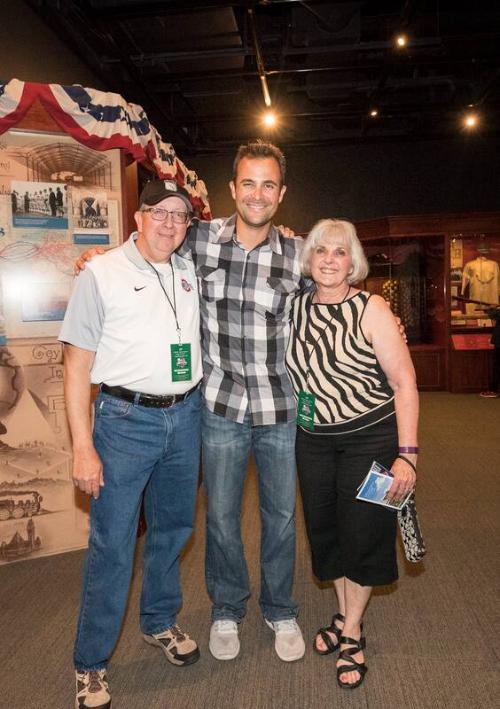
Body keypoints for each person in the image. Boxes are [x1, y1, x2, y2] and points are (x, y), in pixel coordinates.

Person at [76, 141, 306, 664]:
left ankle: (280, 608)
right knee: (220, 517)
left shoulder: (299, 252)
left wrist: (380, 310)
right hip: (218, 408)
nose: (257, 194)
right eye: (248, 183)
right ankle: (227, 608)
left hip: (279, 409)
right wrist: (95, 255)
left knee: (281, 517)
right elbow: (147, 244)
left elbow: (343, 282)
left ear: (281, 194)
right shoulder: (197, 239)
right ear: (232, 189)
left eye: (268, 185)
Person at [60, 181, 203, 709]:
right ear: (137, 217)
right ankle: (90, 663)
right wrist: (82, 447)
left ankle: (159, 621)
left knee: (173, 531)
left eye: (180, 216)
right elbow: (75, 367)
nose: (169, 223)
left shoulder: (188, 269)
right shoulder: (100, 273)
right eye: (158, 213)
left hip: (185, 417)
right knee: (113, 544)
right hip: (123, 422)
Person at [285, 219, 418, 689]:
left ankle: (353, 632)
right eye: (320, 250)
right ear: (309, 258)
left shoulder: (372, 308)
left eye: (339, 252)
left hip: (373, 439)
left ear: (352, 261)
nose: (328, 259)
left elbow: (404, 383)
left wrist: (408, 455)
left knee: (364, 533)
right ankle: (344, 615)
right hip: (314, 441)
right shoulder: (295, 307)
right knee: (328, 533)